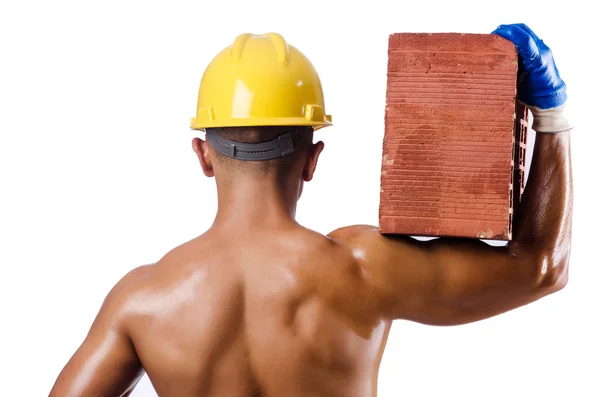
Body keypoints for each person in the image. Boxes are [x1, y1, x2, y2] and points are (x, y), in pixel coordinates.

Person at [49, 23, 572, 397]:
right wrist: (550, 115)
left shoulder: (143, 300)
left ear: (203, 156)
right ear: (312, 160)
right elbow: (542, 268)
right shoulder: (364, 268)